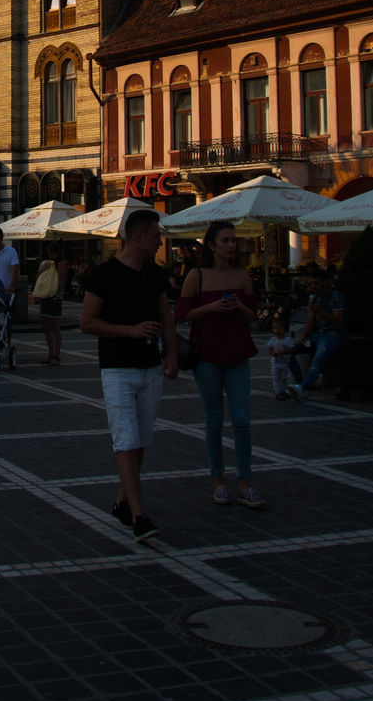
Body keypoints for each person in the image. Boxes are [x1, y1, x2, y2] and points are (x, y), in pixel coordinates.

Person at [80, 209, 177, 542]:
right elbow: (87, 322)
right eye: (156, 235)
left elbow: (167, 317)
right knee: (126, 440)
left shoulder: (156, 274)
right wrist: (130, 331)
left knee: (141, 442)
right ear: (138, 236)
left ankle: (122, 502)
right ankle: (139, 516)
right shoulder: (104, 274)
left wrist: (172, 353)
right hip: (117, 367)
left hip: (150, 367)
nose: (160, 240)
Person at [175, 221, 264, 508]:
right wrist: (211, 308)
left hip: (237, 351)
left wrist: (240, 308)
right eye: (225, 241)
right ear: (211, 245)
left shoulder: (242, 276)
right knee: (213, 421)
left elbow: (253, 316)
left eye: (233, 241)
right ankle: (218, 480)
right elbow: (182, 314)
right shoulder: (196, 276)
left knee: (242, 421)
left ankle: (245, 483)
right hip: (208, 355)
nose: (231, 245)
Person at [287, 264, 345, 401]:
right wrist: (304, 336)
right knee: (289, 352)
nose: (314, 286)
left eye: (317, 283)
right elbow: (311, 320)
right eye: (312, 283)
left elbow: (339, 321)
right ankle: (300, 384)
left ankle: (302, 387)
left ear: (325, 283)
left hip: (332, 336)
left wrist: (320, 312)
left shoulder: (335, 297)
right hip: (318, 335)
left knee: (317, 359)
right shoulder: (314, 298)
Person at [32, 240, 67, 365]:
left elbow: (61, 281)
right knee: (45, 326)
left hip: (55, 297)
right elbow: (39, 279)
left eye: (52, 253)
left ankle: (56, 355)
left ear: (57, 253)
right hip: (46, 296)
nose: (50, 256)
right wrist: (41, 270)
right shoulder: (46, 263)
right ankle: (50, 353)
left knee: (55, 326)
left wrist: (54, 291)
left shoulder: (61, 263)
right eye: (48, 254)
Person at [267, 316, 296, 400]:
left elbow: (291, 349)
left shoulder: (287, 340)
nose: (274, 330)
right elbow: (269, 348)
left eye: (276, 328)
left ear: (282, 329)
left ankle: (283, 390)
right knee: (276, 377)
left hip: (284, 362)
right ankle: (278, 392)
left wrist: (284, 351)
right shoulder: (273, 340)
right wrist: (273, 354)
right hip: (275, 362)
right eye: (273, 328)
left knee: (283, 377)